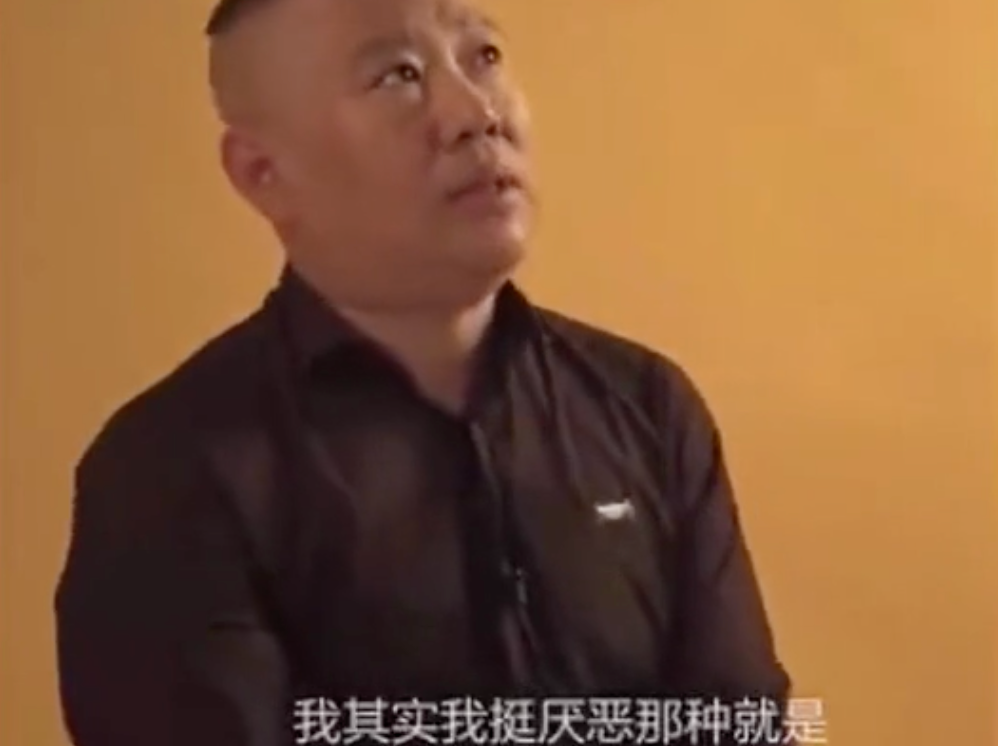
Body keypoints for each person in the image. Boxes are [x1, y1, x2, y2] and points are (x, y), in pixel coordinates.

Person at [54, 0, 793, 743]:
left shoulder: (646, 405)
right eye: (397, 75)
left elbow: (741, 723)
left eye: (484, 57)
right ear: (264, 173)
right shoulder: (168, 470)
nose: (476, 114)